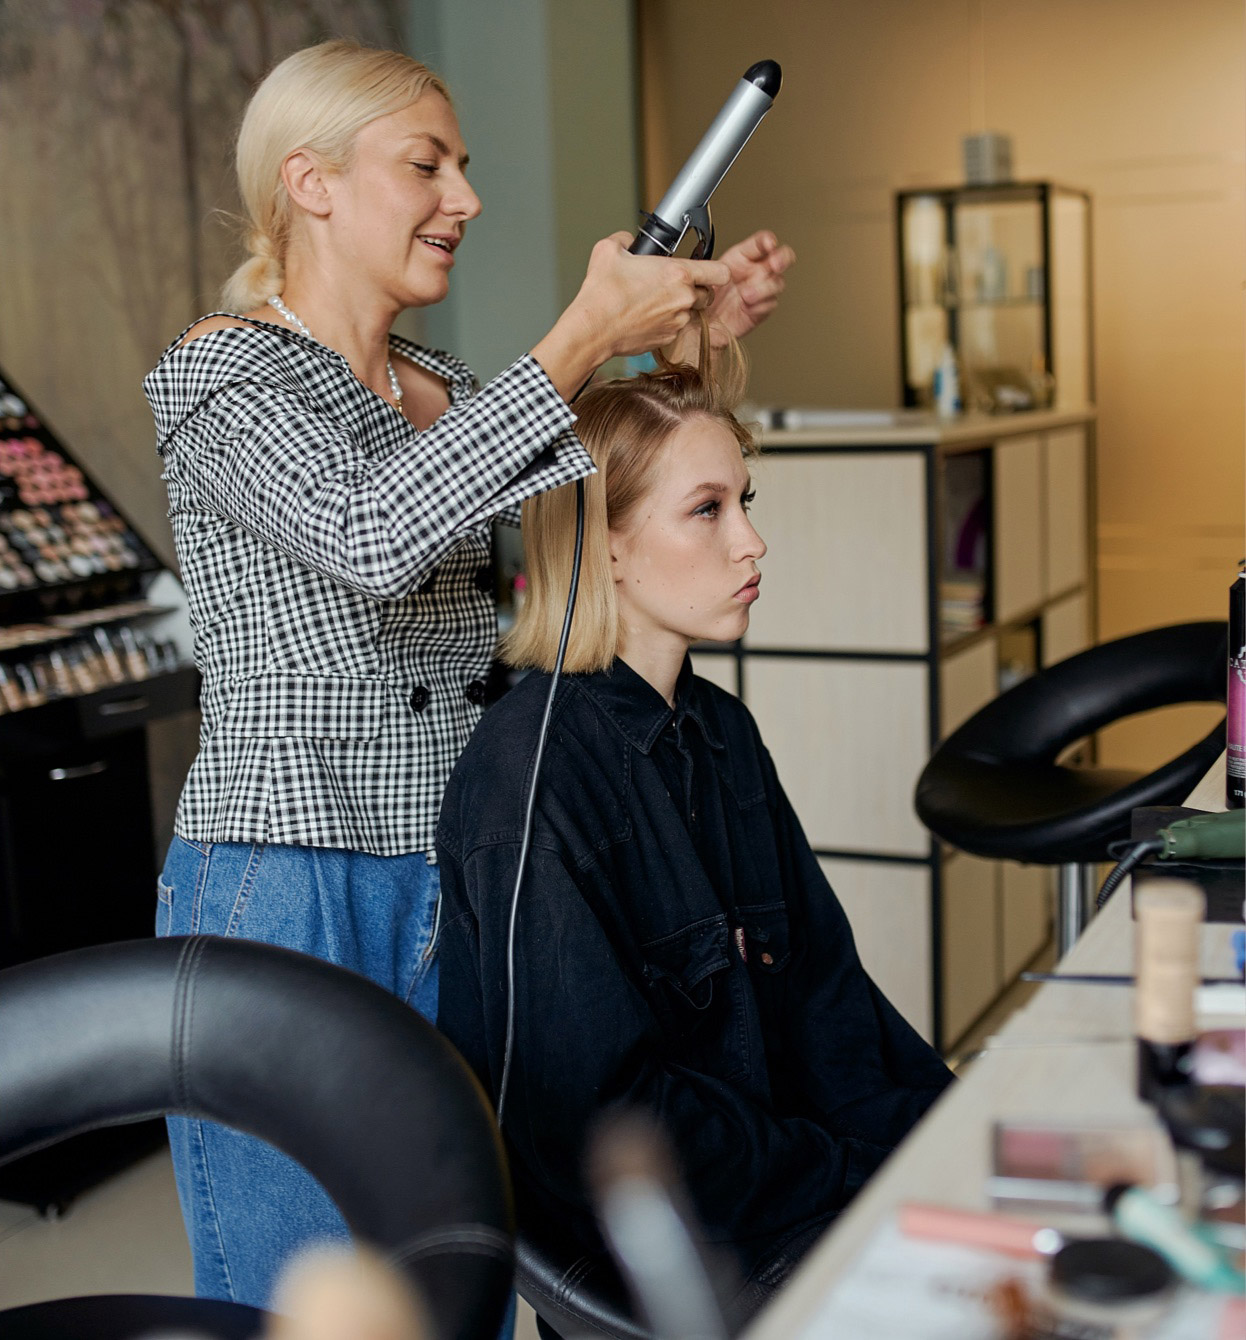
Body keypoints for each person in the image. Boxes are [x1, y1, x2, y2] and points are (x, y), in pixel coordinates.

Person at [143, 39, 794, 1309]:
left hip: (461, 870)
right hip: (290, 880)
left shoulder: (437, 386)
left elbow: (596, 506)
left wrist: (685, 350)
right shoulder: (221, 375)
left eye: (465, 166)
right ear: (312, 183)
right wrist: (583, 331)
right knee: (307, 1290)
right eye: (427, 165)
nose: (466, 198)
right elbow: (371, 533)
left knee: (465, 1263)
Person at [434, 337, 954, 1327]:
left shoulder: (721, 731)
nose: (752, 542)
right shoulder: (530, 780)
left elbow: (828, 999)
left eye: (743, 502)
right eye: (707, 510)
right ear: (604, 543)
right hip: (675, 1260)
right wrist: (853, 1168)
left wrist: (950, 1133)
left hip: (791, 1194)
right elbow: (599, 1125)